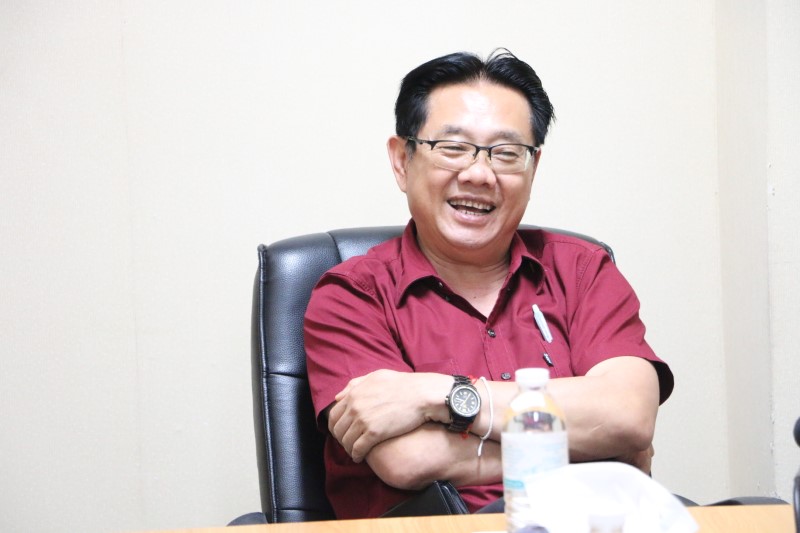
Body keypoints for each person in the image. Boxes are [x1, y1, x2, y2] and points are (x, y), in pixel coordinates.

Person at [304, 49, 674, 519]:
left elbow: (628, 414)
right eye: (453, 147)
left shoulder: (582, 271)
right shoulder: (352, 296)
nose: (479, 174)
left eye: (507, 153)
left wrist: (438, 395)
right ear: (401, 161)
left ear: (533, 168)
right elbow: (408, 459)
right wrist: (595, 450)